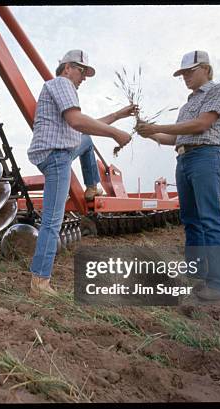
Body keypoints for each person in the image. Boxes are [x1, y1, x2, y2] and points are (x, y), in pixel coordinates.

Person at [27, 49, 136, 296]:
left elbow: (84, 126)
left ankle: (91, 187)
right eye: (82, 71)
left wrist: (119, 115)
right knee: (52, 222)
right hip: (56, 157)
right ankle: (39, 282)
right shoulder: (62, 83)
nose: (84, 77)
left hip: (59, 152)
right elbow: (77, 121)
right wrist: (115, 134)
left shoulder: (61, 88)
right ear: (67, 67)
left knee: (85, 139)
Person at [135, 50, 220, 301]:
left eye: (190, 72)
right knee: (190, 217)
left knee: (209, 217)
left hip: (205, 156)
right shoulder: (187, 105)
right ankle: (196, 270)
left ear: (207, 70)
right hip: (184, 158)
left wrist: (156, 126)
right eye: (182, 74)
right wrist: (150, 134)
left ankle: (218, 282)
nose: (185, 77)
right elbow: (175, 137)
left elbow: (201, 125)